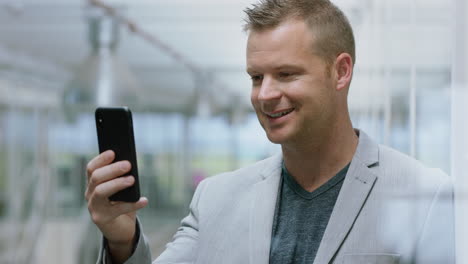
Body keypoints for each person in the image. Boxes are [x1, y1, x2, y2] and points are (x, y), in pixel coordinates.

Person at [85, 0, 455, 263]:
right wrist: (122, 242)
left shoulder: (425, 196)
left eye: (286, 74)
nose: (264, 95)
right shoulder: (214, 199)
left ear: (341, 72)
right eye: (256, 77)